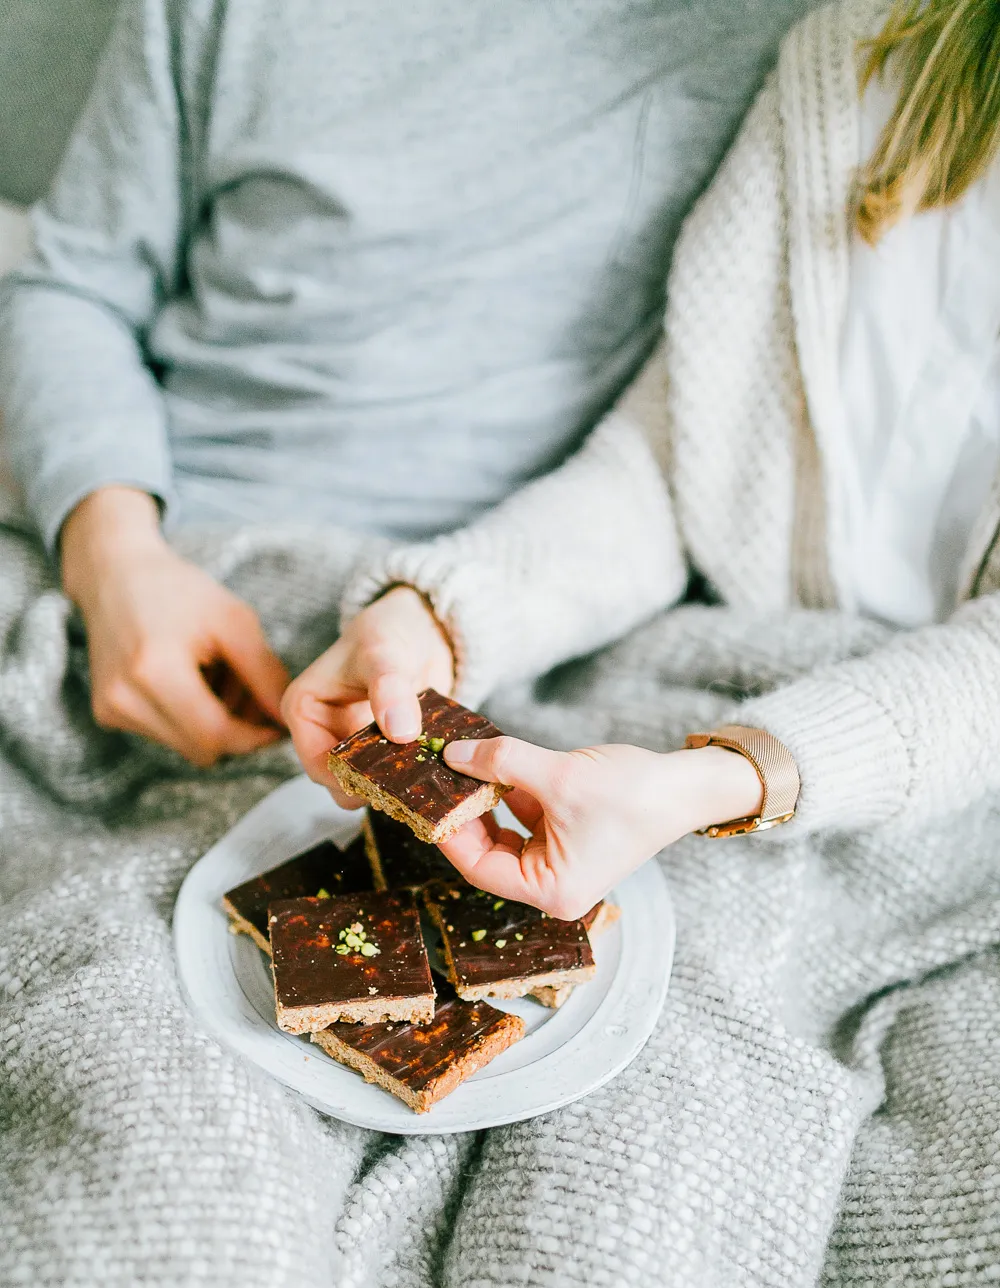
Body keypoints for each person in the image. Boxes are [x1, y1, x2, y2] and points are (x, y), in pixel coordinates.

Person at [283, 0, 1000, 918]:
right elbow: (670, 472)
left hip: (882, 791)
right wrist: (440, 613)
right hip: (696, 702)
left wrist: (722, 781)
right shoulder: (851, 61)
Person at [0, 0, 821, 767]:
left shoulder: (788, 37)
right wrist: (112, 559)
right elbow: (73, 285)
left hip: (514, 613)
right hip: (171, 548)